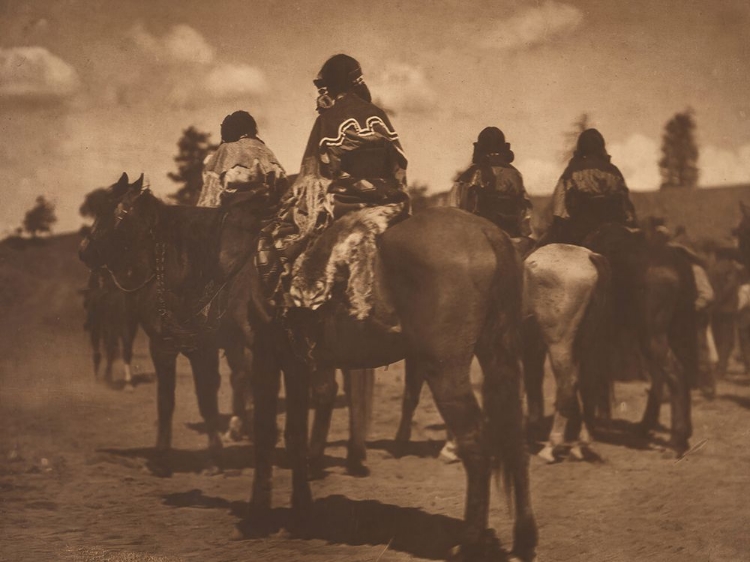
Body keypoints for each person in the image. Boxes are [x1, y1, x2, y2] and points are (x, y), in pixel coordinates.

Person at [259, 54, 409, 307]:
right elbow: (399, 166)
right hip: (390, 200)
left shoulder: (328, 120)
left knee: (287, 236)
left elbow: (315, 178)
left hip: (346, 200)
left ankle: (301, 304)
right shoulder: (379, 115)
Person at [197, 110, 287, 278]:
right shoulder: (267, 152)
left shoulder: (226, 150)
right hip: (270, 227)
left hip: (235, 229)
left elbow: (208, 202)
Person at [543, 128, 637, 245]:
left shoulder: (572, 171)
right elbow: (626, 205)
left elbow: (559, 207)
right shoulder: (614, 171)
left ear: (581, 148)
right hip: (614, 224)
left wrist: (557, 227)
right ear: (601, 147)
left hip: (580, 230)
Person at [449, 127, 532, 238]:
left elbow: (453, 209)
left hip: (475, 236)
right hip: (510, 237)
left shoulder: (469, 175)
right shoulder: (515, 174)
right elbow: (525, 212)